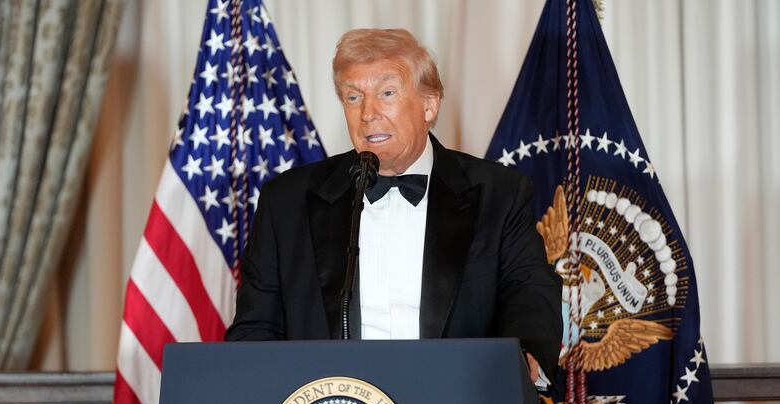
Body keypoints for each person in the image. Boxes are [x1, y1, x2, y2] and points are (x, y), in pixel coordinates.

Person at [225, 28, 562, 383]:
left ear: (429, 105)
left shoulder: (499, 193)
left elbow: (528, 291)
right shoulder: (287, 200)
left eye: (387, 93)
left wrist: (523, 359)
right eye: (353, 98)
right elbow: (256, 327)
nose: (368, 113)